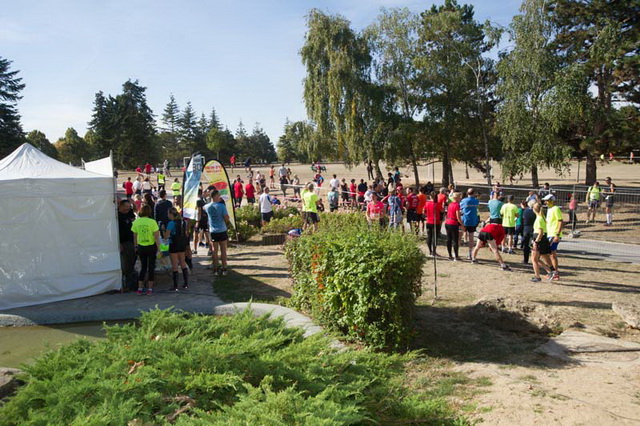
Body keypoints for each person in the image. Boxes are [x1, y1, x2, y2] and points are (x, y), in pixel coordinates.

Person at [131, 205, 161, 295]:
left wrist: (135, 246)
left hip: (141, 246)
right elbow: (156, 237)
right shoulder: (153, 222)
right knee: (151, 267)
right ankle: (150, 289)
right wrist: (159, 249)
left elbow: (135, 236)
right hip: (151, 246)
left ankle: (140, 288)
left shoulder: (136, 222)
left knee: (143, 267)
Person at [205, 189, 230, 276]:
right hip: (222, 230)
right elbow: (226, 218)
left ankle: (215, 268)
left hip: (213, 231)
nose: (220, 197)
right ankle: (224, 268)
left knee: (214, 251)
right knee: (223, 250)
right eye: (218, 195)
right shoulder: (221, 206)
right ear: (215, 196)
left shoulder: (207, 206)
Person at [164, 208, 189, 291]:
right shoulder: (182, 221)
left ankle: (175, 285)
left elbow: (166, 236)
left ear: (171, 214)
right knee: (182, 262)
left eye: (168, 214)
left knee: (174, 264)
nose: (167, 215)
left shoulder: (171, 223)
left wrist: (164, 230)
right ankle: (186, 283)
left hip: (174, 244)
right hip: (182, 244)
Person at [530, 202, 554, 282]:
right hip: (541, 239)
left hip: (539, 240)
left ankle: (537, 276)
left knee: (534, 259)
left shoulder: (539, 219)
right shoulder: (542, 217)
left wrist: (536, 242)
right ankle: (550, 271)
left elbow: (540, 232)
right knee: (536, 259)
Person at [543, 194, 563, 281]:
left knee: (551, 254)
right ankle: (553, 272)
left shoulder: (556, 209)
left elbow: (560, 221)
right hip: (549, 234)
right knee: (550, 254)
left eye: (547, 200)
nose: (545, 202)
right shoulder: (549, 209)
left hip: (554, 234)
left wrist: (557, 234)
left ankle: (555, 273)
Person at [118, 199, 137, 291]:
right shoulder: (117, 216)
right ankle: (125, 284)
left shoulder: (129, 214)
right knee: (125, 263)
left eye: (129, 207)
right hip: (123, 242)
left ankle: (130, 284)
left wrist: (133, 204)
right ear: (120, 206)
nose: (127, 209)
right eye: (126, 207)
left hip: (130, 241)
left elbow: (134, 217)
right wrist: (119, 243)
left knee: (131, 261)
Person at [460, 188, 480, 259]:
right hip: (472, 221)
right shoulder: (476, 201)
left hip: (465, 220)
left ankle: (456, 253)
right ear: (473, 193)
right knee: (471, 238)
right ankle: (470, 253)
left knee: (460, 236)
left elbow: (460, 208)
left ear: (467, 193)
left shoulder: (464, 200)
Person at [444, 192, 463, 261]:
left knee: (449, 239)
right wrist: (462, 224)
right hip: (453, 223)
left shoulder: (450, 204)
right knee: (455, 240)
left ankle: (450, 255)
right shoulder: (457, 205)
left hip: (447, 222)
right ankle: (456, 256)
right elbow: (458, 217)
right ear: (457, 198)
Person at [424, 192, 442, 257]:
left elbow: (424, 211)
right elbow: (441, 210)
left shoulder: (427, 203)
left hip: (428, 221)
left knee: (429, 236)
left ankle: (430, 251)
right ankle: (434, 251)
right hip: (436, 222)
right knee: (435, 237)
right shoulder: (437, 204)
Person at [193, 189, 210, 255]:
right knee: (206, 233)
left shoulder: (198, 201)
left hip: (200, 219)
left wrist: (198, 221)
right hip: (205, 218)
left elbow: (199, 211)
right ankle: (210, 249)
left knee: (195, 234)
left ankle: (195, 249)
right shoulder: (203, 200)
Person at [521, 200, 536, 264]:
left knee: (526, 245)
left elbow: (523, 220)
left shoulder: (525, 211)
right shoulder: (536, 212)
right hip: (534, 228)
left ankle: (525, 259)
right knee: (535, 245)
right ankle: (536, 259)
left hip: (526, 228)